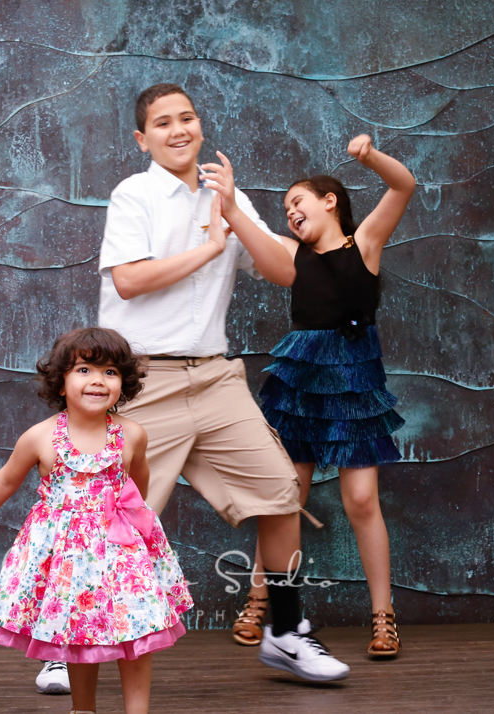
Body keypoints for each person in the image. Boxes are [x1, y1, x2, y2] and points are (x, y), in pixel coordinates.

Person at [96, 82, 350, 682]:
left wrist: (233, 212)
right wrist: (214, 247)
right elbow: (130, 282)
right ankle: (67, 641)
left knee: (281, 489)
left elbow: (288, 271)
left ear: (201, 127)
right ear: (143, 139)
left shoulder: (223, 197)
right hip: (143, 382)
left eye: (187, 118)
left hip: (214, 378)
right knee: (112, 516)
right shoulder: (132, 195)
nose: (178, 130)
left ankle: (285, 633)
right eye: (163, 123)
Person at [0, 327, 193, 714]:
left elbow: (139, 482)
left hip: (123, 550)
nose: (98, 380)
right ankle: (83, 709)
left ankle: (139, 710)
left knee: (137, 629)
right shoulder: (41, 437)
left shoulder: (132, 434)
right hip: (68, 555)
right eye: (84, 369)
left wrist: (136, 521)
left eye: (111, 372)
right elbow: (6, 479)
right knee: (81, 635)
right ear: (61, 382)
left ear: (124, 384)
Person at [246, 134, 415, 657]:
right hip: (300, 383)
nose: (291, 212)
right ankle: (260, 604)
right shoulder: (291, 252)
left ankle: (383, 618)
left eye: (297, 201)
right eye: (285, 209)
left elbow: (404, 184)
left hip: (355, 380)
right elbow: (246, 235)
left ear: (329, 201)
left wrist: (368, 156)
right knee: (285, 498)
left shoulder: (364, 243)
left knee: (361, 500)